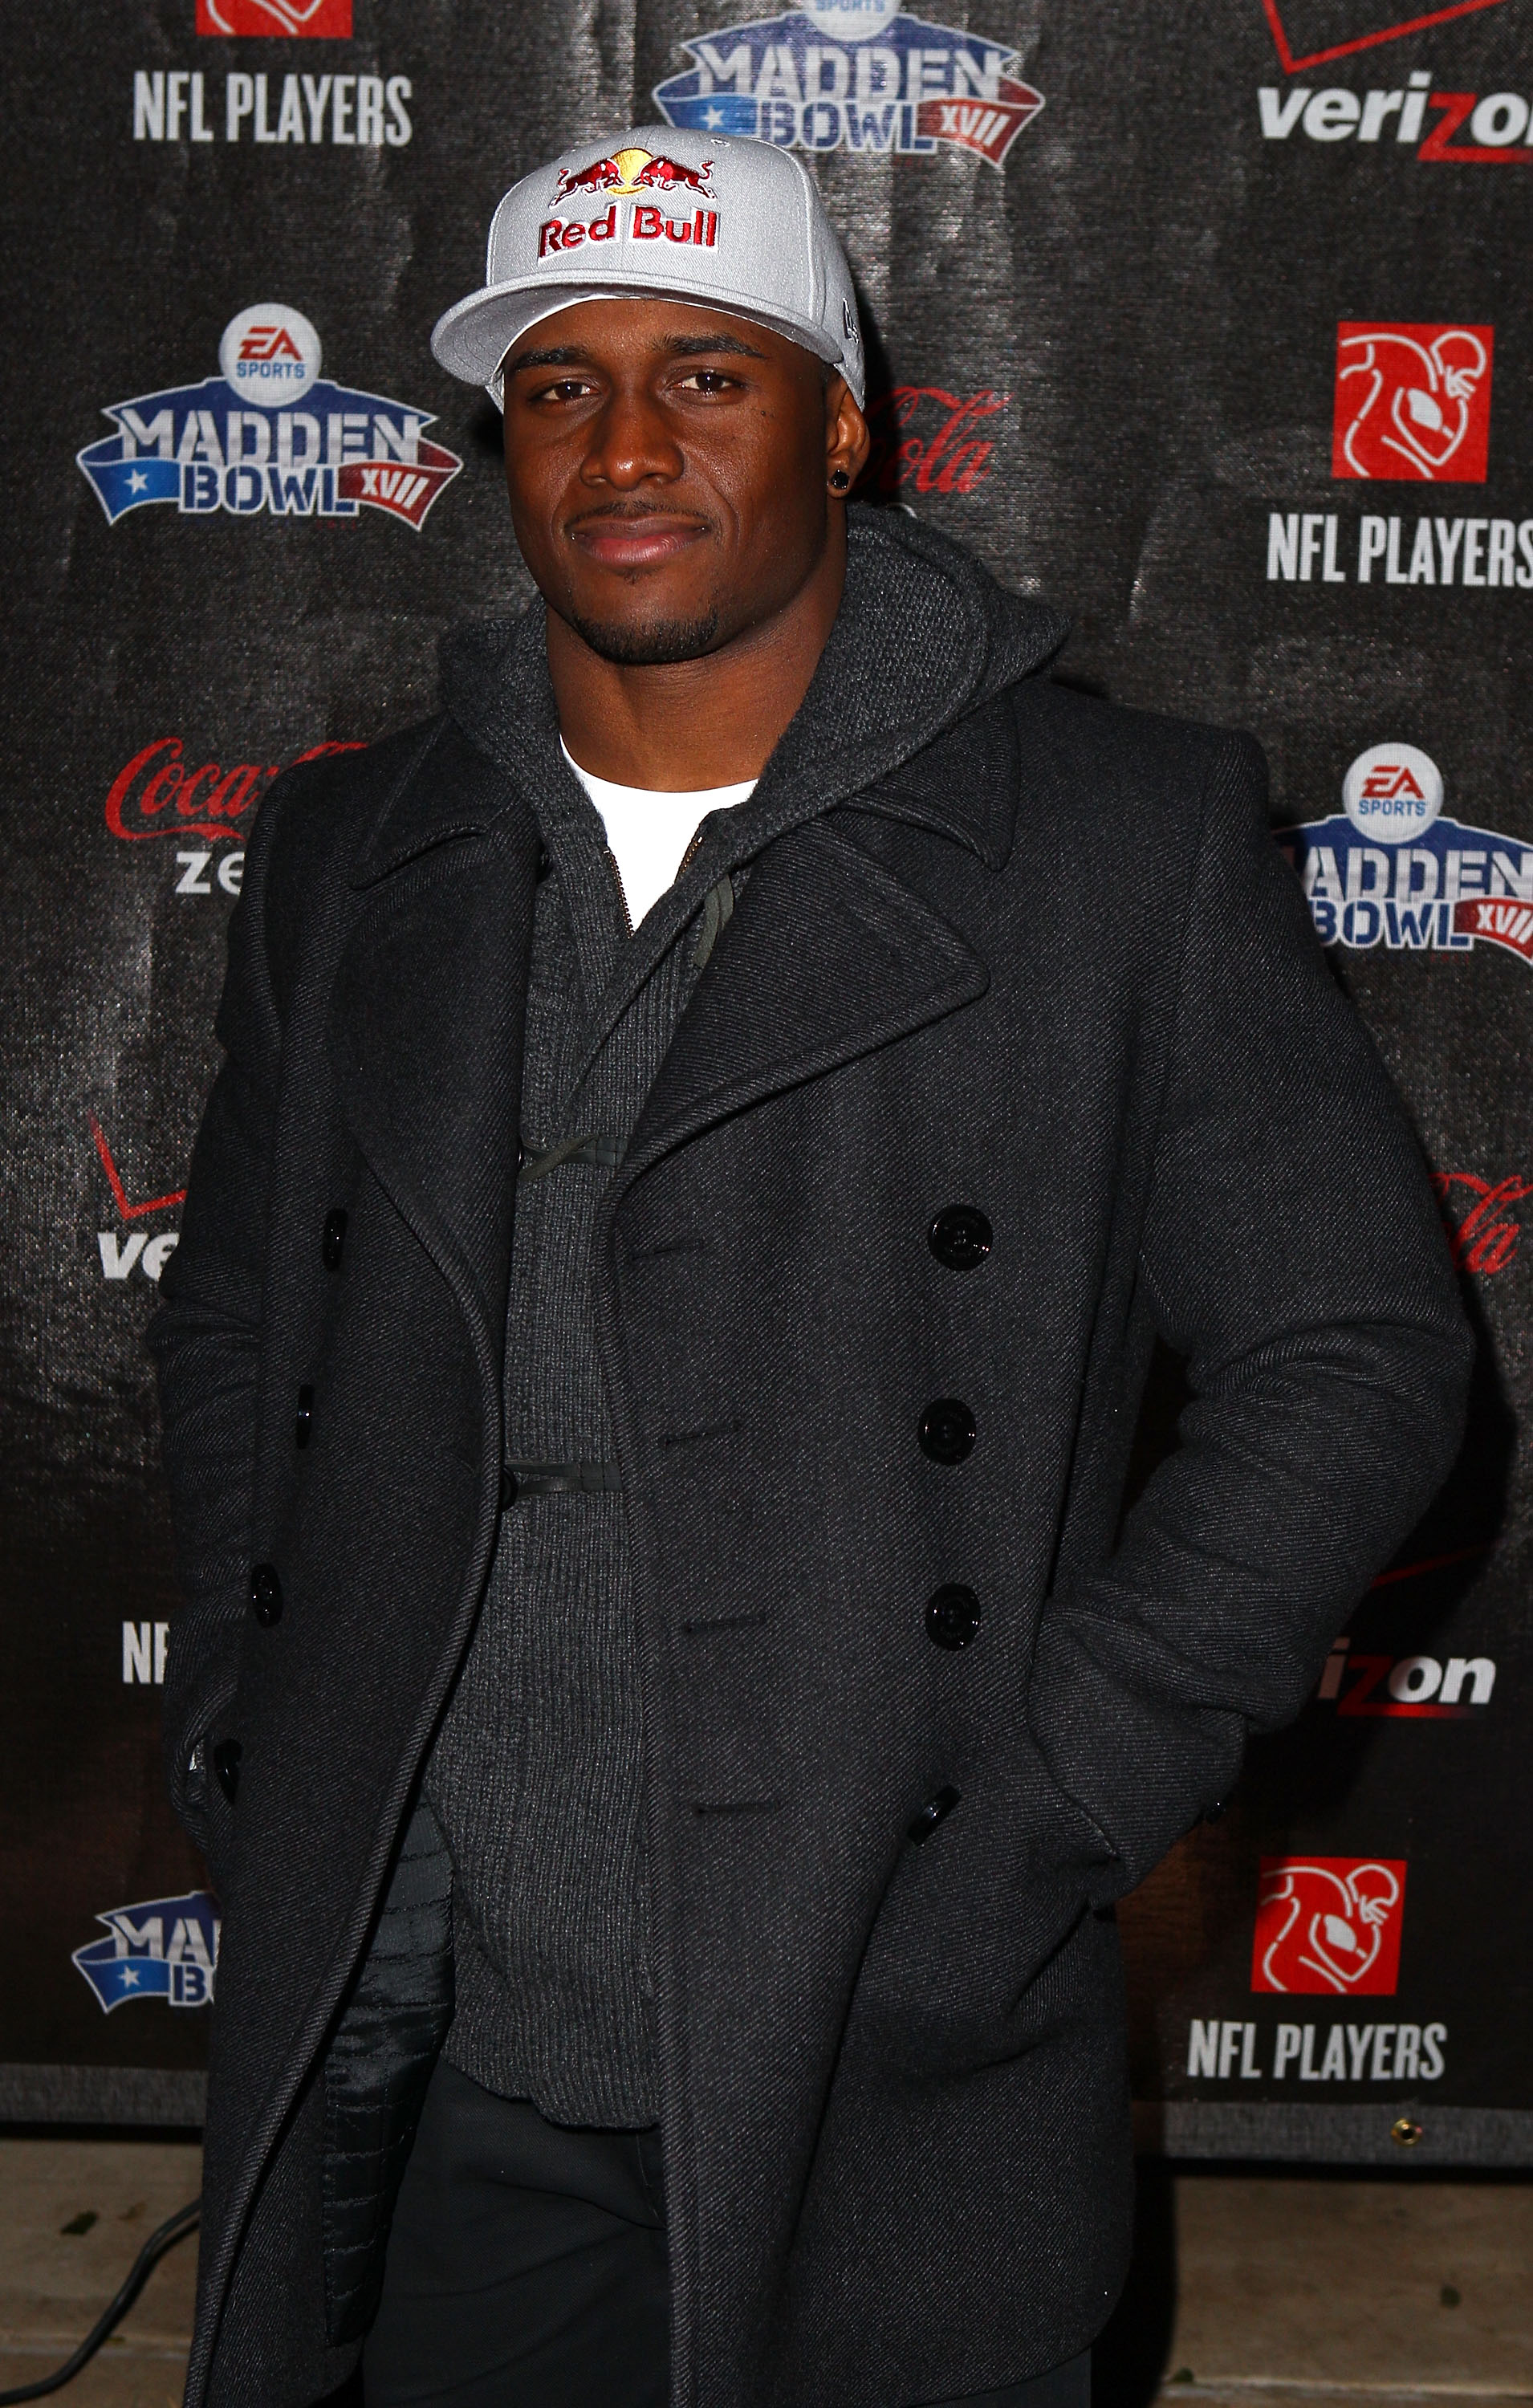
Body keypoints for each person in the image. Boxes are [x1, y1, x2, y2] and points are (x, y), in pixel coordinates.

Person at [150, 127, 1470, 2408]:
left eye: (709, 377)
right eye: (559, 386)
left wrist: (1047, 1796)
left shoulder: (1118, 843)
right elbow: (247, 1315)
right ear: (498, 441)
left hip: (890, 1994)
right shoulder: (357, 846)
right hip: (449, 1993)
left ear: (847, 424)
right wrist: (259, 1734)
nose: (628, 445)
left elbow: (1352, 1357)